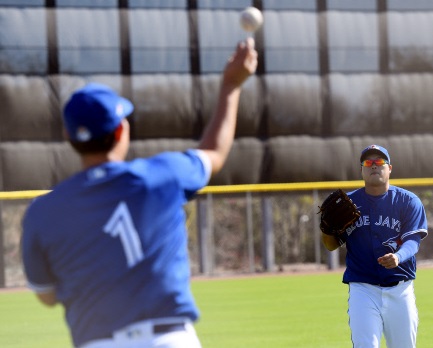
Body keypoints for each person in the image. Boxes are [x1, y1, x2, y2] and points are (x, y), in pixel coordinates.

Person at [21, 38, 257, 348]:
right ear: (121, 130)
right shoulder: (163, 175)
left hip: (98, 341)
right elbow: (214, 151)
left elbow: (47, 295)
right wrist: (231, 85)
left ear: (68, 136)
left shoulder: (43, 211)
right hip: (170, 340)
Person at [321, 144, 428, 348]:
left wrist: (398, 256)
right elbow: (331, 245)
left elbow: (413, 241)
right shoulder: (347, 203)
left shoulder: (408, 202)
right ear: (361, 169)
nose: (374, 166)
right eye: (368, 162)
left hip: (400, 289)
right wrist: (326, 230)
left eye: (379, 162)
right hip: (363, 289)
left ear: (390, 168)